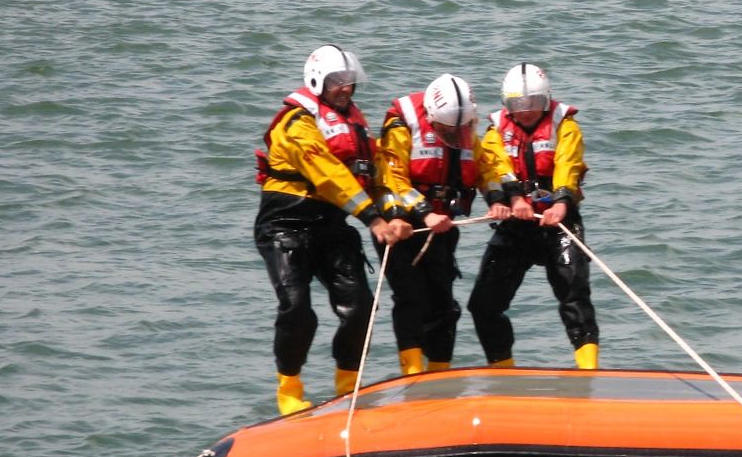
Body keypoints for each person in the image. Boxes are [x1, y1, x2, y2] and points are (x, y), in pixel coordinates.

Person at [254, 44, 410, 415]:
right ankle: (289, 389)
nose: (345, 88)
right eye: (336, 81)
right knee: (297, 308)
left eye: (348, 81)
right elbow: (328, 174)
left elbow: (374, 173)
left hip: (332, 225)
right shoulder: (297, 125)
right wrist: (373, 219)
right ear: (316, 81)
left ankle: (346, 386)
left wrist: (396, 212)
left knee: (359, 308)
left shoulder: (355, 122)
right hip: (286, 224)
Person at [467, 63, 599, 370]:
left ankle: (589, 371)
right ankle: (503, 371)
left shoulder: (565, 127)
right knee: (483, 305)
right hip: (517, 223)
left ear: (546, 100)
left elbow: (568, 164)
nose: (525, 111)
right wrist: (505, 200)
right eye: (516, 105)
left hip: (559, 221)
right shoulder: (496, 130)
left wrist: (562, 203)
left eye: (534, 104)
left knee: (574, 297)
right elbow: (494, 167)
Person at [377, 74, 506, 375]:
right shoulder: (401, 126)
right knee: (409, 297)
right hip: (402, 223)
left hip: (443, 225)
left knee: (444, 304)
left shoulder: (465, 129)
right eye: (449, 131)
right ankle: (412, 372)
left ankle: (439, 370)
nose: (457, 136)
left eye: (462, 130)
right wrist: (424, 213)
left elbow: (485, 166)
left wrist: (497, 199)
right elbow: (392, 178)